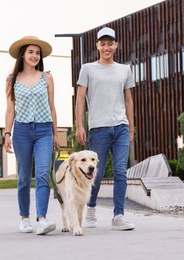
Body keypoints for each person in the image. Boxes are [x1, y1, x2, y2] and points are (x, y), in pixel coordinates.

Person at [75, 27, 135, 231]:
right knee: (96, 174)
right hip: (98, 128)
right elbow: (80, 98)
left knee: (120, 172)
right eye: (103, 43)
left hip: (121, 127)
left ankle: (118, 215)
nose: (107, 47)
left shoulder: (125, 70)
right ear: (97, 46)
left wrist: (132, 128)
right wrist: (80, 125)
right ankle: (90, 207)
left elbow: (128, 100)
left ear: (116, 45)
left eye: (110, 43)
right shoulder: (88, 69)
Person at [4, 36, 59, 235]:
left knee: (43, 173)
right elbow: (10, 110)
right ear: (23, 55)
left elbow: (52, 107)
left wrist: (55, 133)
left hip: (44, 130)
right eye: (31, 52)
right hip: (22, 132)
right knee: (24, 177)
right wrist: (7, 133)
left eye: (37, 53)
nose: (35, 56)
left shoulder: (47, 77)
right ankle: (24, 218)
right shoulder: (12, 80)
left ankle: (42, 219)